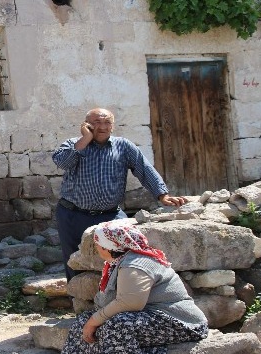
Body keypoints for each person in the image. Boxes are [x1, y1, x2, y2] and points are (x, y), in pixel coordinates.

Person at [52, 107, 188, 280]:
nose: (102, 127)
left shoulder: (123, 146)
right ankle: (79, 303)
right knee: (74, 260)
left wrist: (162, 195)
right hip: (73, 215)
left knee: (124, 257)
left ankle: (117, 300)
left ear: (113, 126)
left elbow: (144, 169)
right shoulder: (73, 144)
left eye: (107, 122)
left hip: (111, 215)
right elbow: (63, 163)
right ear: (86, 125)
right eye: (96, 122)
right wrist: (86, 138)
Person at [62, 221, 208, 353]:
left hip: (182, 323)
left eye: (98, 244)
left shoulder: (135, 263)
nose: (97, 248)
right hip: (149, 317)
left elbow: (130, 302)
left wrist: (94, 321)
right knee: (82, 322)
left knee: (117, 326)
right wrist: (91, 321)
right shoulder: (118, 263)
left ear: (108, 247)